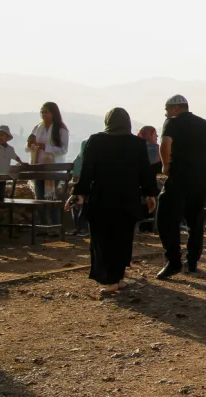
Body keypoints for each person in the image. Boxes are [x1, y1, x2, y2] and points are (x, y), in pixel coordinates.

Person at [65, 108, 158, 296]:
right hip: (128, 198)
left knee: (102, 240)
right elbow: (145, 172)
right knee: (123, 239)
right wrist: (150, 194)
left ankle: (109, 280)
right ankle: (117, 277)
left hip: (102, 198)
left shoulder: (96, 141)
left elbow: (86, 171)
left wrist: (78, 193)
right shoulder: (137, 143)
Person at [156, 95, 206, 279]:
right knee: (195, 221)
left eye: (167, 109)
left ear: (175, 108)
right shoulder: (203, 123)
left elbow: (165, 144)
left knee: (166, 218)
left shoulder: (172, 122)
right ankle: (192, 262)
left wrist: (166, 166)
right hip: (200, 178)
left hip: (179, 177)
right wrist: (200, 161)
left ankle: (173, 262)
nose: (166, 113)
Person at [27, 102, 69, 230]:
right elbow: (30, 148)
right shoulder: (37, 128)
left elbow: (63, 149)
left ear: (53, 113)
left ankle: (54, 226)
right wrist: (30, 144)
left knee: (51, 198)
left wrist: (46, 147)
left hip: (53, 168)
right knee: (39, 198)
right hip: (38, 166)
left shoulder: (61, 129)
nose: (44, 114)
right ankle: (42, 226)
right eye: (42, 112)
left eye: (46, 112)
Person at [137, 126, 161, 233]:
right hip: (149, 188)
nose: (157, 136)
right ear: (150, 135)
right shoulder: (157, 151)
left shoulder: (134, 148)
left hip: (134, 187)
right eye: (155, 134)